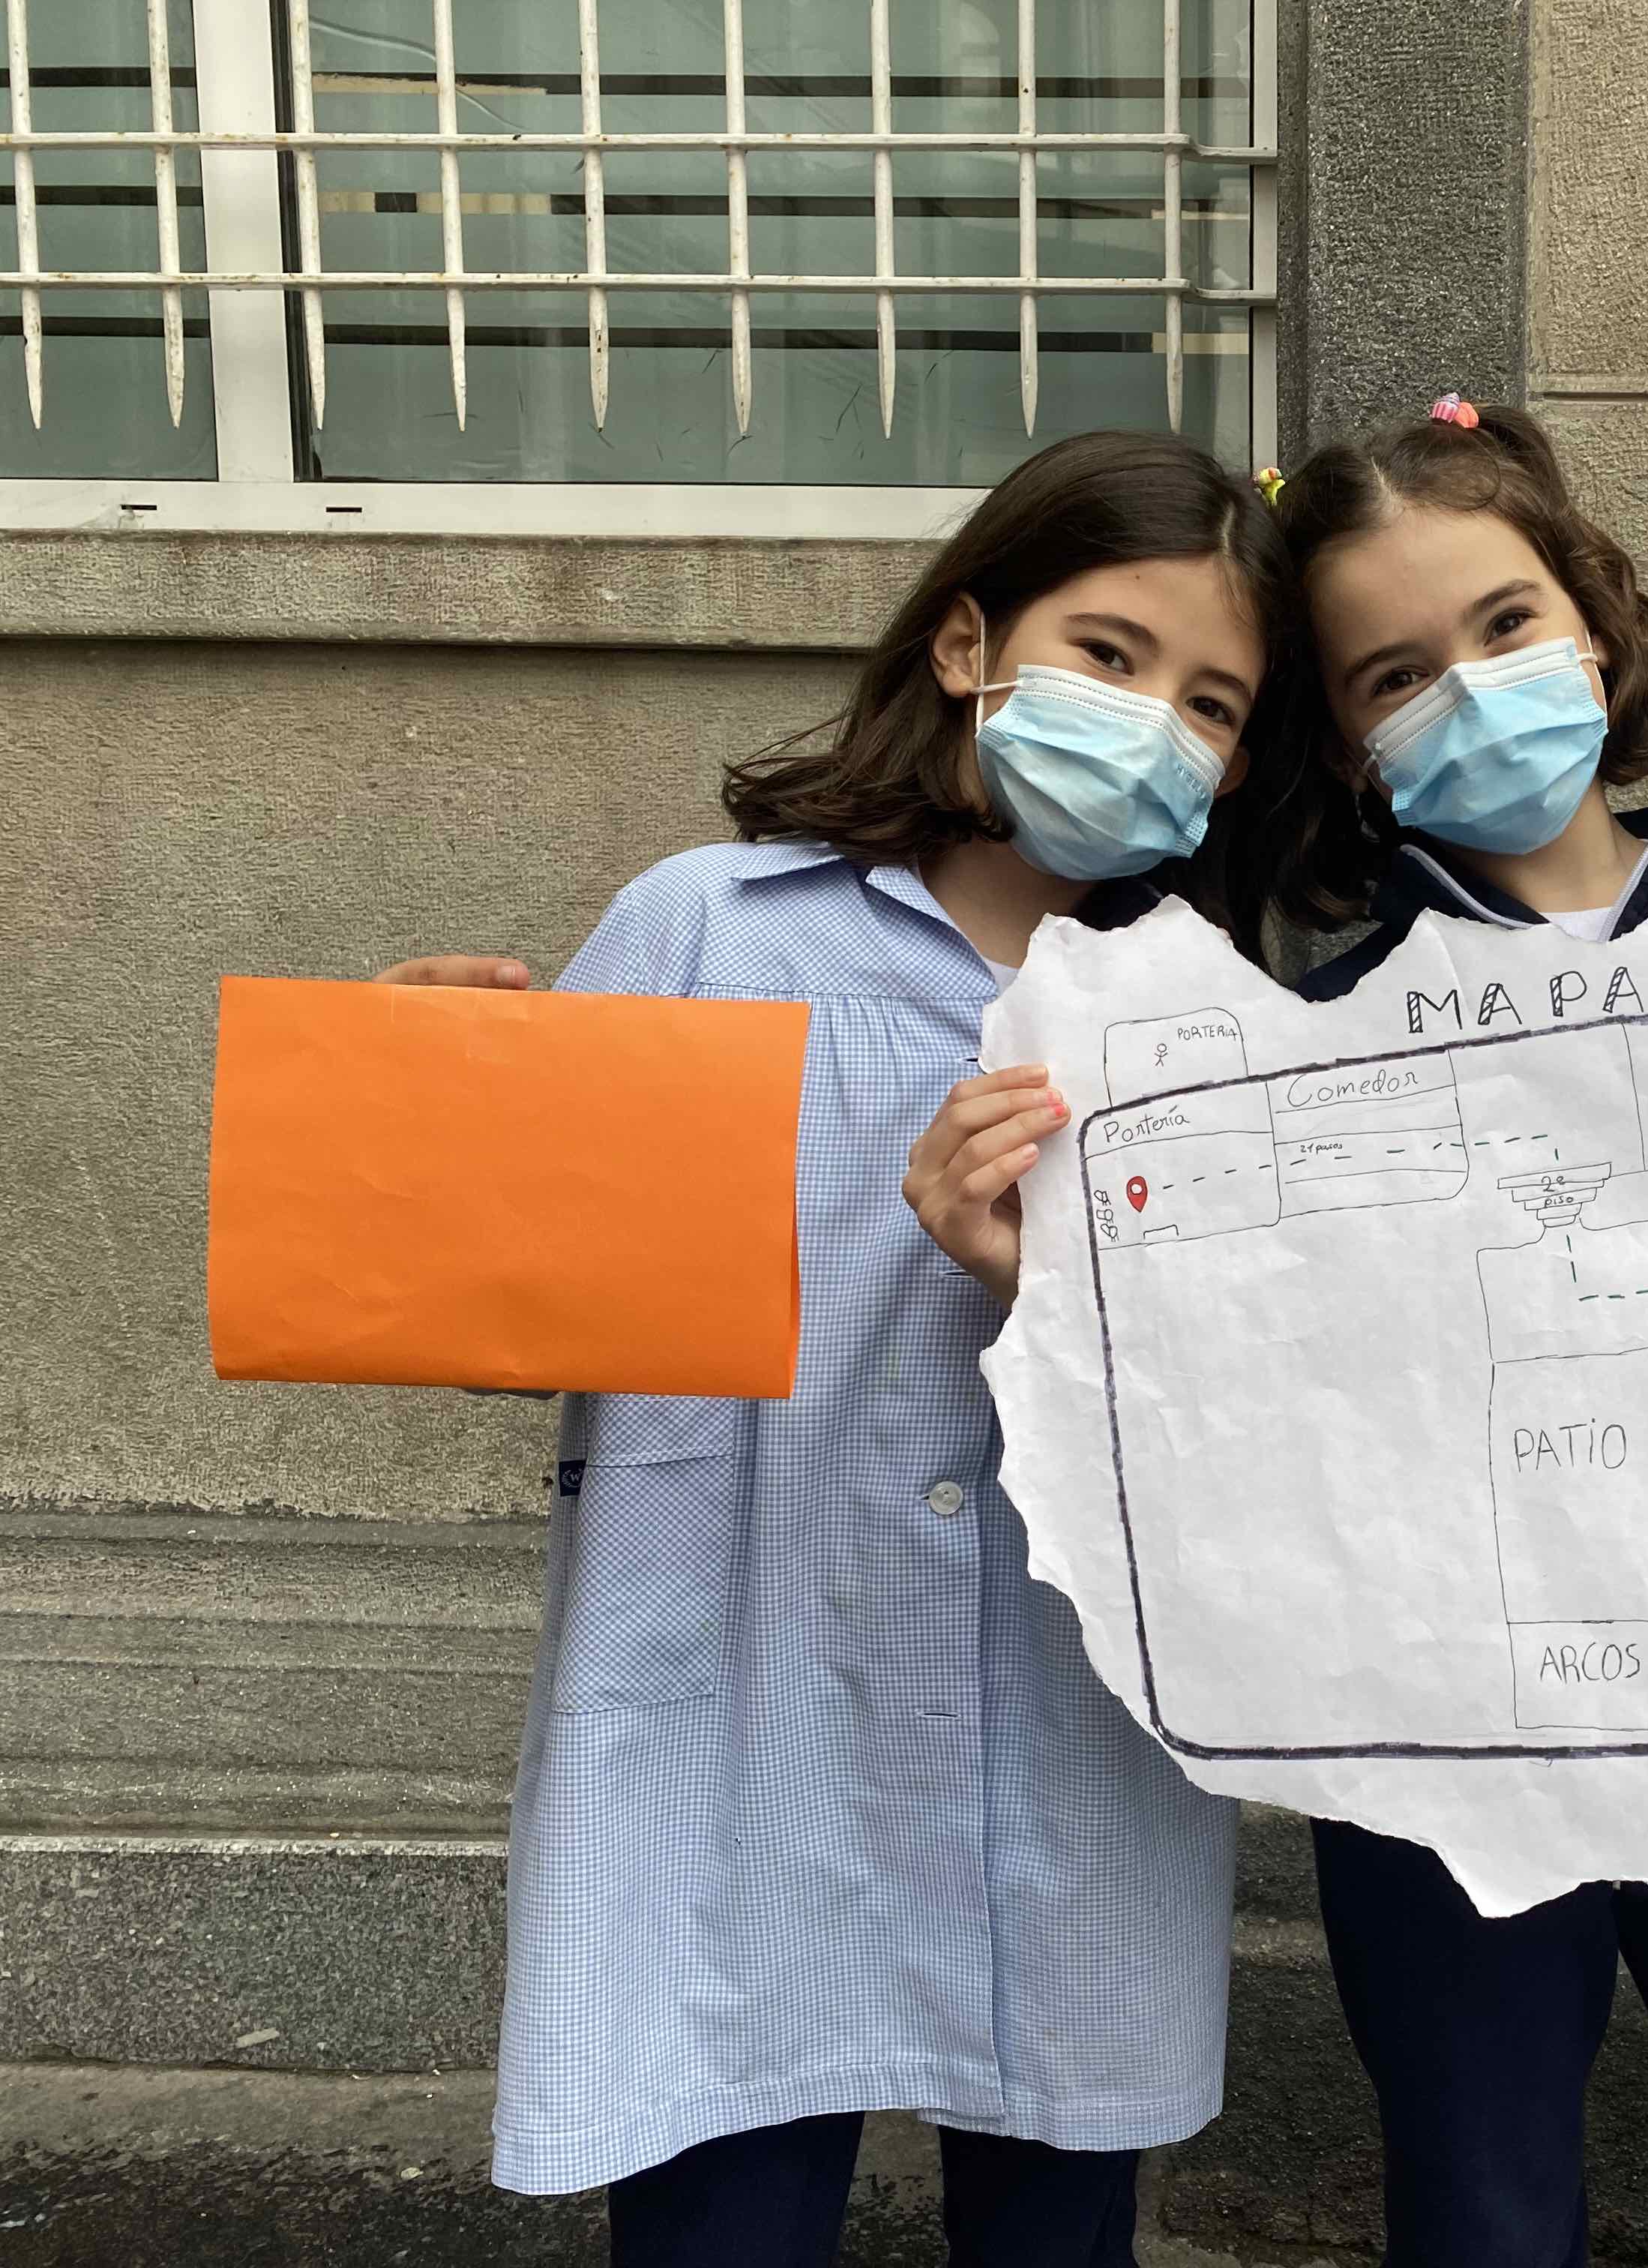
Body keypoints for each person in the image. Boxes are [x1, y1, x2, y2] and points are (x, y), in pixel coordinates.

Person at [376, 430, 1296, 2268]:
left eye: (1210, 704)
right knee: (721, 2205)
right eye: (1108, 655)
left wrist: (1044, 1285)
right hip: (748, 1704)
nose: (1151, 725)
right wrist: (410, 1127)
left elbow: (1254, 1422)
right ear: (967, 644)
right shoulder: (705, 929)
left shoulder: (1215, 1024)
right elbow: (513, 1316)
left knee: (1056, 2226)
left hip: (1058, 1730)